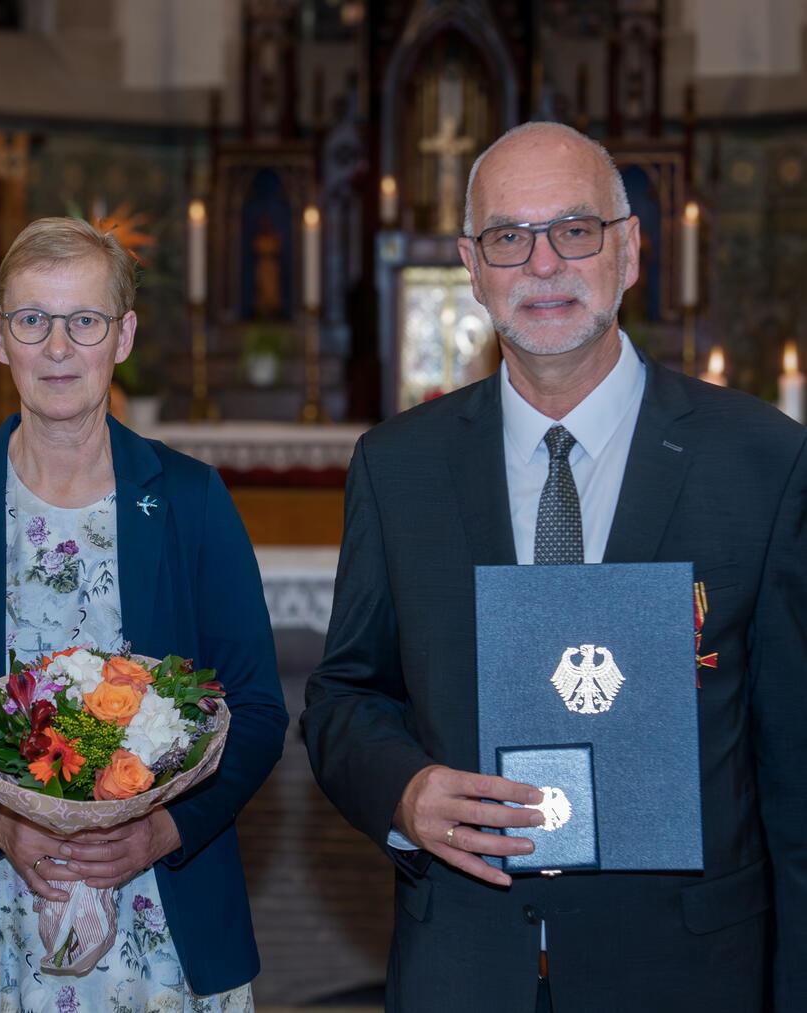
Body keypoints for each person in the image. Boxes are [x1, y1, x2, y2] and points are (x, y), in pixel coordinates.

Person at [303, 121, 806, 1013]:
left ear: (631, 249)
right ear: (471, 262)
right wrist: (406, 792)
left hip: (688, 970)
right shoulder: (399, 465)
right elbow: (346, 695)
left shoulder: (761, 462)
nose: (542, 264)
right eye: (508, 236)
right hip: (465, 962)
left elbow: (797, 772)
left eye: (575, 230)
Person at [0, 217, 288, 1011]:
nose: (57, 347)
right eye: (32, 320)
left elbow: (256, 709)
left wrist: (160, 833)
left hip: (164, 920)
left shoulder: (190, 501)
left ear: (124, 335)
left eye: (84, 321)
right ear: (1, 337)